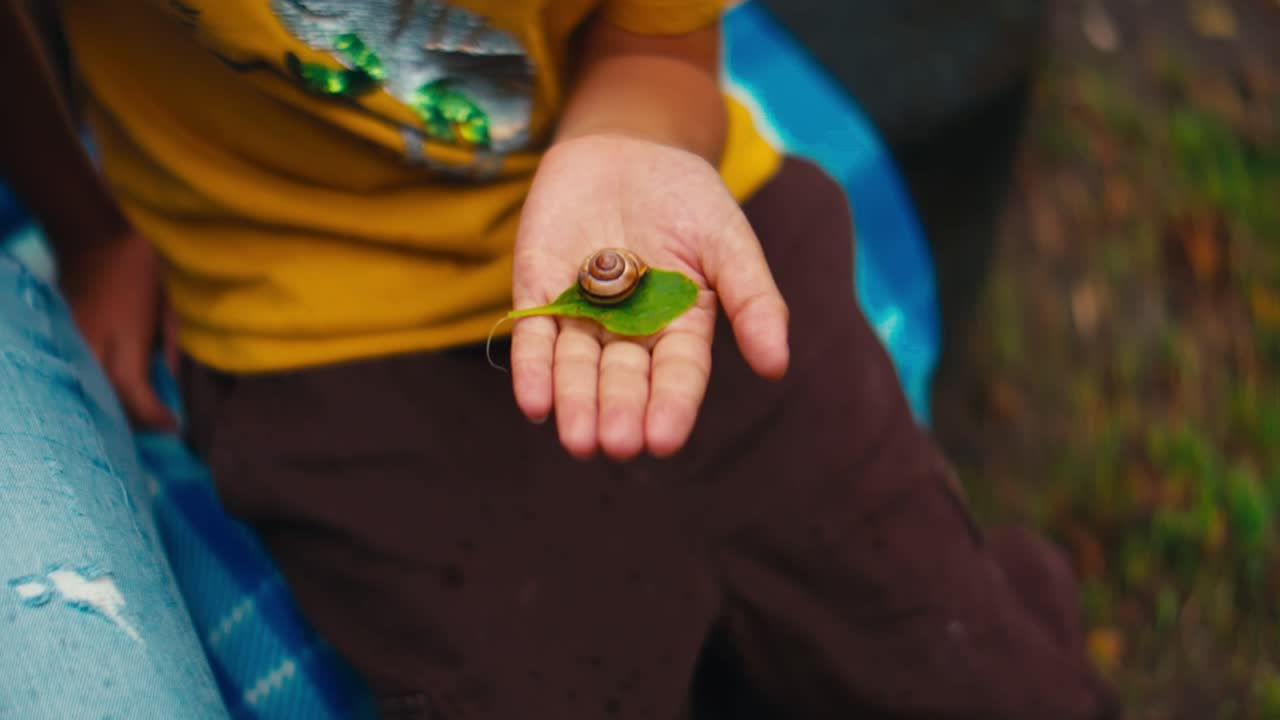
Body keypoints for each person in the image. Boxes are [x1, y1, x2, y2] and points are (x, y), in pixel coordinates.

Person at [3, 1, 1120, 718]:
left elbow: (657, 45)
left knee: (968, 663)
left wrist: (622, 141)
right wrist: (94, 229)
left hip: (665, 205)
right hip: (319, 338)